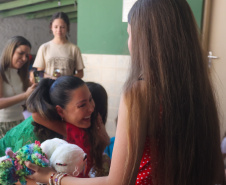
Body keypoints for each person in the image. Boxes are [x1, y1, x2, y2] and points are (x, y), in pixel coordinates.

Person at [25, 0, 226, 185]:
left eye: (129, 34)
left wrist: (53, 177)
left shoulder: (139, 93)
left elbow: (117, 182)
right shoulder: (200, 91)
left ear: (143, 39)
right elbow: (217, 172)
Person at [0, 36, 36, 139]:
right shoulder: (1, 72)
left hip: (19, 122)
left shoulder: (21, 74)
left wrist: (36, 85)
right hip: (2, 125)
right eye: (20, 53)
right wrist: (25, 95)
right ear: (10, 51)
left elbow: (32, 94)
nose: (24, 58)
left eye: (27, 56)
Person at [32, 12, 84, 79]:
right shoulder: (44, 47)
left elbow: (81, 73)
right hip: (49, 87)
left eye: (62, 27)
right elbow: (38, 73)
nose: (59, 30)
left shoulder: (74, 48)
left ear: (67, 28)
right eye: (56, 27)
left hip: (67, 88)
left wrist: (67, 79)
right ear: (51, 27)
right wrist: (51, 77)